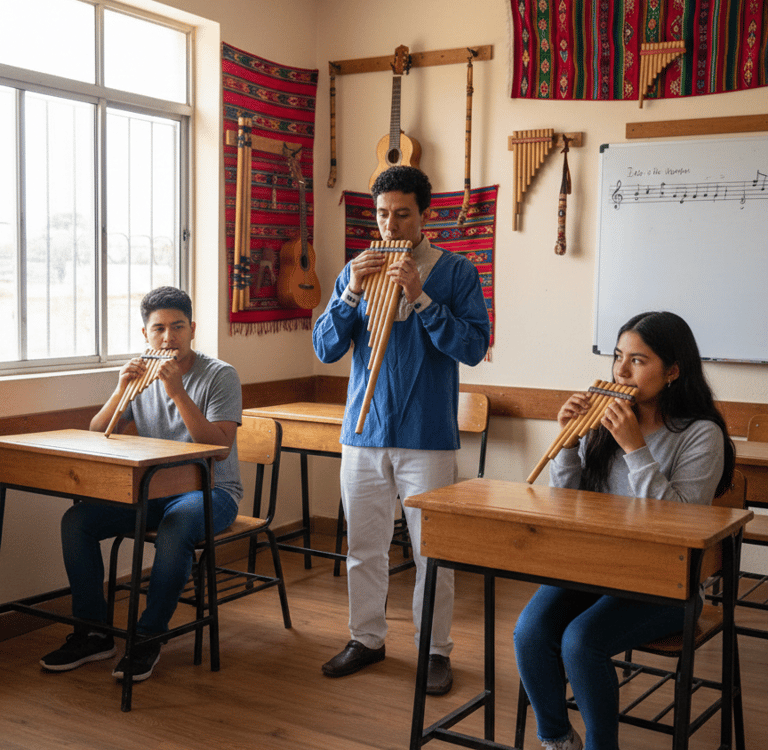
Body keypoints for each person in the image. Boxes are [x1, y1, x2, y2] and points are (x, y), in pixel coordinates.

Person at [513, 311, 736, 750]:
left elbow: (683, 524)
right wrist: (569, 443)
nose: (620, 371)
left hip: (668, 583)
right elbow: (569, 503)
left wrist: (635, 447)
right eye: (618, 357)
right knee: (531, 632)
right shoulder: (605, 419)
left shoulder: (700, 435)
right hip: (597, 569)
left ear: (673, 371)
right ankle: (557, 740)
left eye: (638, 360)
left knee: (580, 643)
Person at [313, 165, 490, 695]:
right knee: (363, 545)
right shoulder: (356, 270)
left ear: (425, 214)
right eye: (382, 214)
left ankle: (434, 650)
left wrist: (420, 299)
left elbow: (473, 349)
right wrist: (349, 297)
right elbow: (325, 349)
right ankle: (366, 638)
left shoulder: (456, 272)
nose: (390, 226)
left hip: (426, 434)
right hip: (363, 432)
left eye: (402, 214)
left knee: (431, 549)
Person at [40, 286, 243, 682]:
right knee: (76, 521)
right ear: (145, 335)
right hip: (154, 490)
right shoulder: (142, 375)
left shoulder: (220, 375)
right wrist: (120, 389)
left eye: (178, 327)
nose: (169, 338)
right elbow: (100, 433)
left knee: (176, 527)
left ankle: (148, 636)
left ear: (193, 329)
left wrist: (177, 392)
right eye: (159, 329)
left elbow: (218, 449)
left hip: (212, 490)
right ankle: (94, 631)